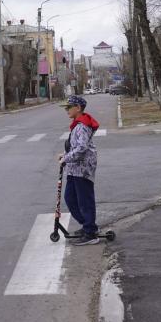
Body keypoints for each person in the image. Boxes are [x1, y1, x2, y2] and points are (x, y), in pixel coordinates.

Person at [58, 95, 100, 246]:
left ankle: (91, 233)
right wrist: (66, 155)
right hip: (74, 168)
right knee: (70, 198)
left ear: (78, 108)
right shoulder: (77, 124)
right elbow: (76, 147)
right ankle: (87, 225)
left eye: (69, 107)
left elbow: (81, 148)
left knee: (84, 200)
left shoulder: (82, 125)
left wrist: (67, 158)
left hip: (83, 169)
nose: (66, 110)